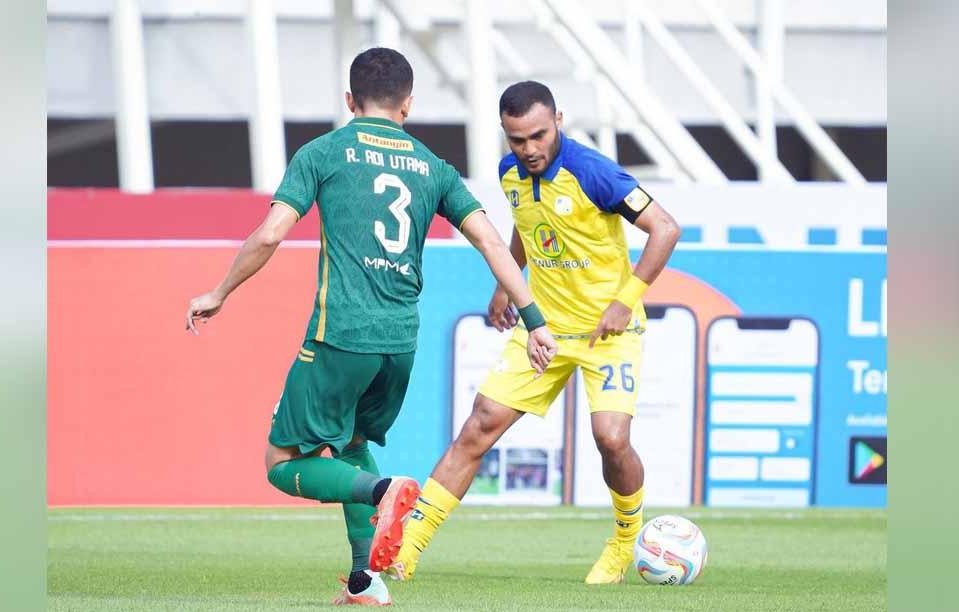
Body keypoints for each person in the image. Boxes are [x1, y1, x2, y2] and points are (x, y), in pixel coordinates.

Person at [184, 53, 557, 605]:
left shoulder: (324, 154)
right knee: (353, 442)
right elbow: (493, 243)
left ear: (349, 101)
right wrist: (534, 321)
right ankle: (365, 581)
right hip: (400, 345)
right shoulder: (434, 167)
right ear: (409, 104)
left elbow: (269, 236)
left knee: (282, 464)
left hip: (340, 337)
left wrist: (218, 293)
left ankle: (385, 491)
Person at [376, 80, 681, 585]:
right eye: (518, 140)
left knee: (611, 439)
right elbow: (528, 222)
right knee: (479, 425)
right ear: (505, 134)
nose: (530, 149)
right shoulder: (510, 172)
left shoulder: (594, 173)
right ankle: (407, 549)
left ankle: (625, 542)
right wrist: (507, 284)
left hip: (607, 333)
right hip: (546, 330)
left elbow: (665, 229)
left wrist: (625, 302)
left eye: (539, 135)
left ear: (558, 119)